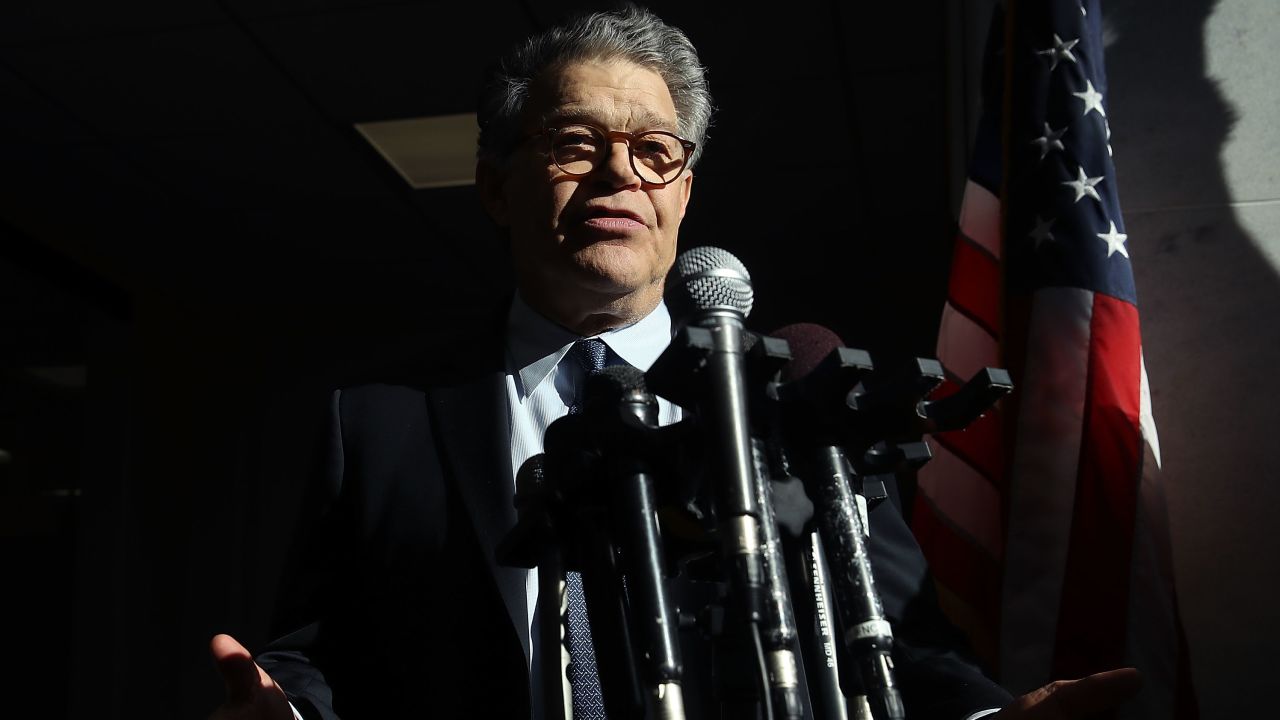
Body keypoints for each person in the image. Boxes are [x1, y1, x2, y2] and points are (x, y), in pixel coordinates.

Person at [207, 6, 1141, 719]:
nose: (621, 175)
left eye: (655, 152)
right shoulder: (375, 412)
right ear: (495, 185)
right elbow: (319, 649)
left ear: (684, 191)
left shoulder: (792, 401)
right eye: (576, 145)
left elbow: (897, 641)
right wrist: (283, 707)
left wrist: (985, 717)